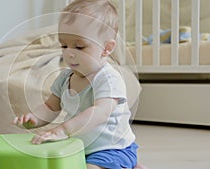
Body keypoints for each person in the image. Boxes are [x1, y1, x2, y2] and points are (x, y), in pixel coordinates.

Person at [14, 0, 147, 169]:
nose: (69, 53)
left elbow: (100, 112)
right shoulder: (65, 78)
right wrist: (34, 118)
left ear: (106, 48)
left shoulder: (108, 79)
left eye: (79, 46)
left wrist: (63, 130)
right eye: (64, 45)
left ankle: (129, 164)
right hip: (79, 146)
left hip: (113, 148)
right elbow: (50, 107)